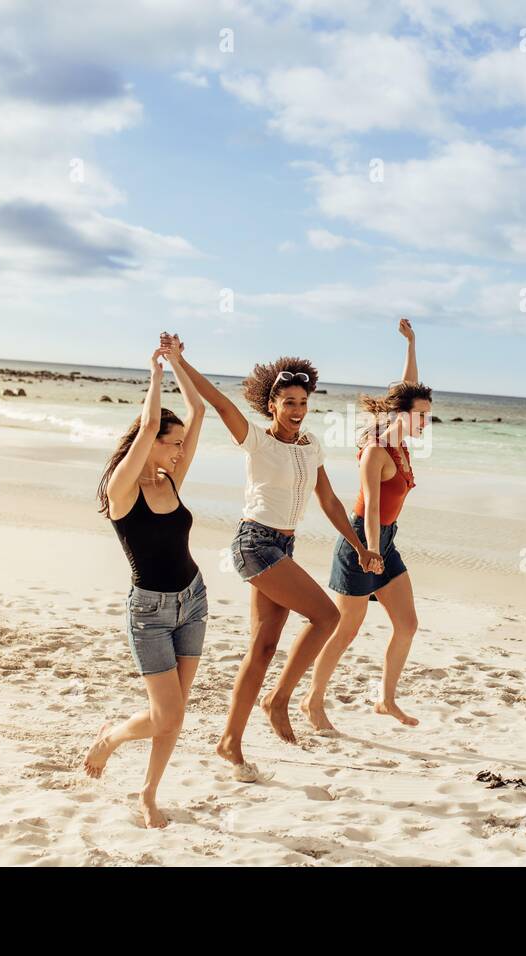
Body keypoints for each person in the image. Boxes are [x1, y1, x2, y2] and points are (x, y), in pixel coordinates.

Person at [163, 336, 383, 781]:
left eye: (303, 401)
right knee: (325, 616)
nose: (297, 408)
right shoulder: (257, 442)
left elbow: (329, 500)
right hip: (255, 543)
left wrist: (361, 546)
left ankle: (230, 741)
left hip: (284, 546)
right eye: (288, 401)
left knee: (262, 648)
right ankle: (278, 700)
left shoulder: (310, 445)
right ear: (272, 403)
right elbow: (222, 406)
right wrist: (180, 362)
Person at [82, 334, 207, 828]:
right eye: (171, 445)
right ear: (148, 443)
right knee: (167, 715)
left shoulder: (170, 479)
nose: (179, 452)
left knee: (174, 714)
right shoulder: (121, 490)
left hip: (193, 602)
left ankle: (149, 792)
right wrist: (154, 372)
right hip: (150, 615)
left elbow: (197, 413)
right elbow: (153, 421)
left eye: (179, 447)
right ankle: (111, 737)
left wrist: (179, 361)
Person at [304, 318, 433, 732]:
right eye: (422, 416)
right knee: (345, 631)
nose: (426, 422)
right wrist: (371, 552)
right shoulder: (376, 452)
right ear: (401, 415)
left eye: (429, 415)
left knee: (407, 625)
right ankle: (312, 701)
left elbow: (408, 387)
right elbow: (372, 509)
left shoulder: (401, 438)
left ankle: (386, 700)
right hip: (361, 542)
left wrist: (412, 344)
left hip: (386, 542)